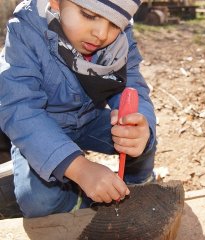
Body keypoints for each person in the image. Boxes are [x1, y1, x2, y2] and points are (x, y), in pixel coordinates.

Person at [0, 0, 157, 218]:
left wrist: (138, 126)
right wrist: (78, 168)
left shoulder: (120, 35)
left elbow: (131, 85)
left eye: (114, 24)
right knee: (39, 203)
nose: (101, 34)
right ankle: (79, 200)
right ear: (56, 2)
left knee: (141, 139)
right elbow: (19, 108)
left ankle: (139, 186)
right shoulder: (25, 31)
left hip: (89, 119)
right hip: (42, 128)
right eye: (89, 15)